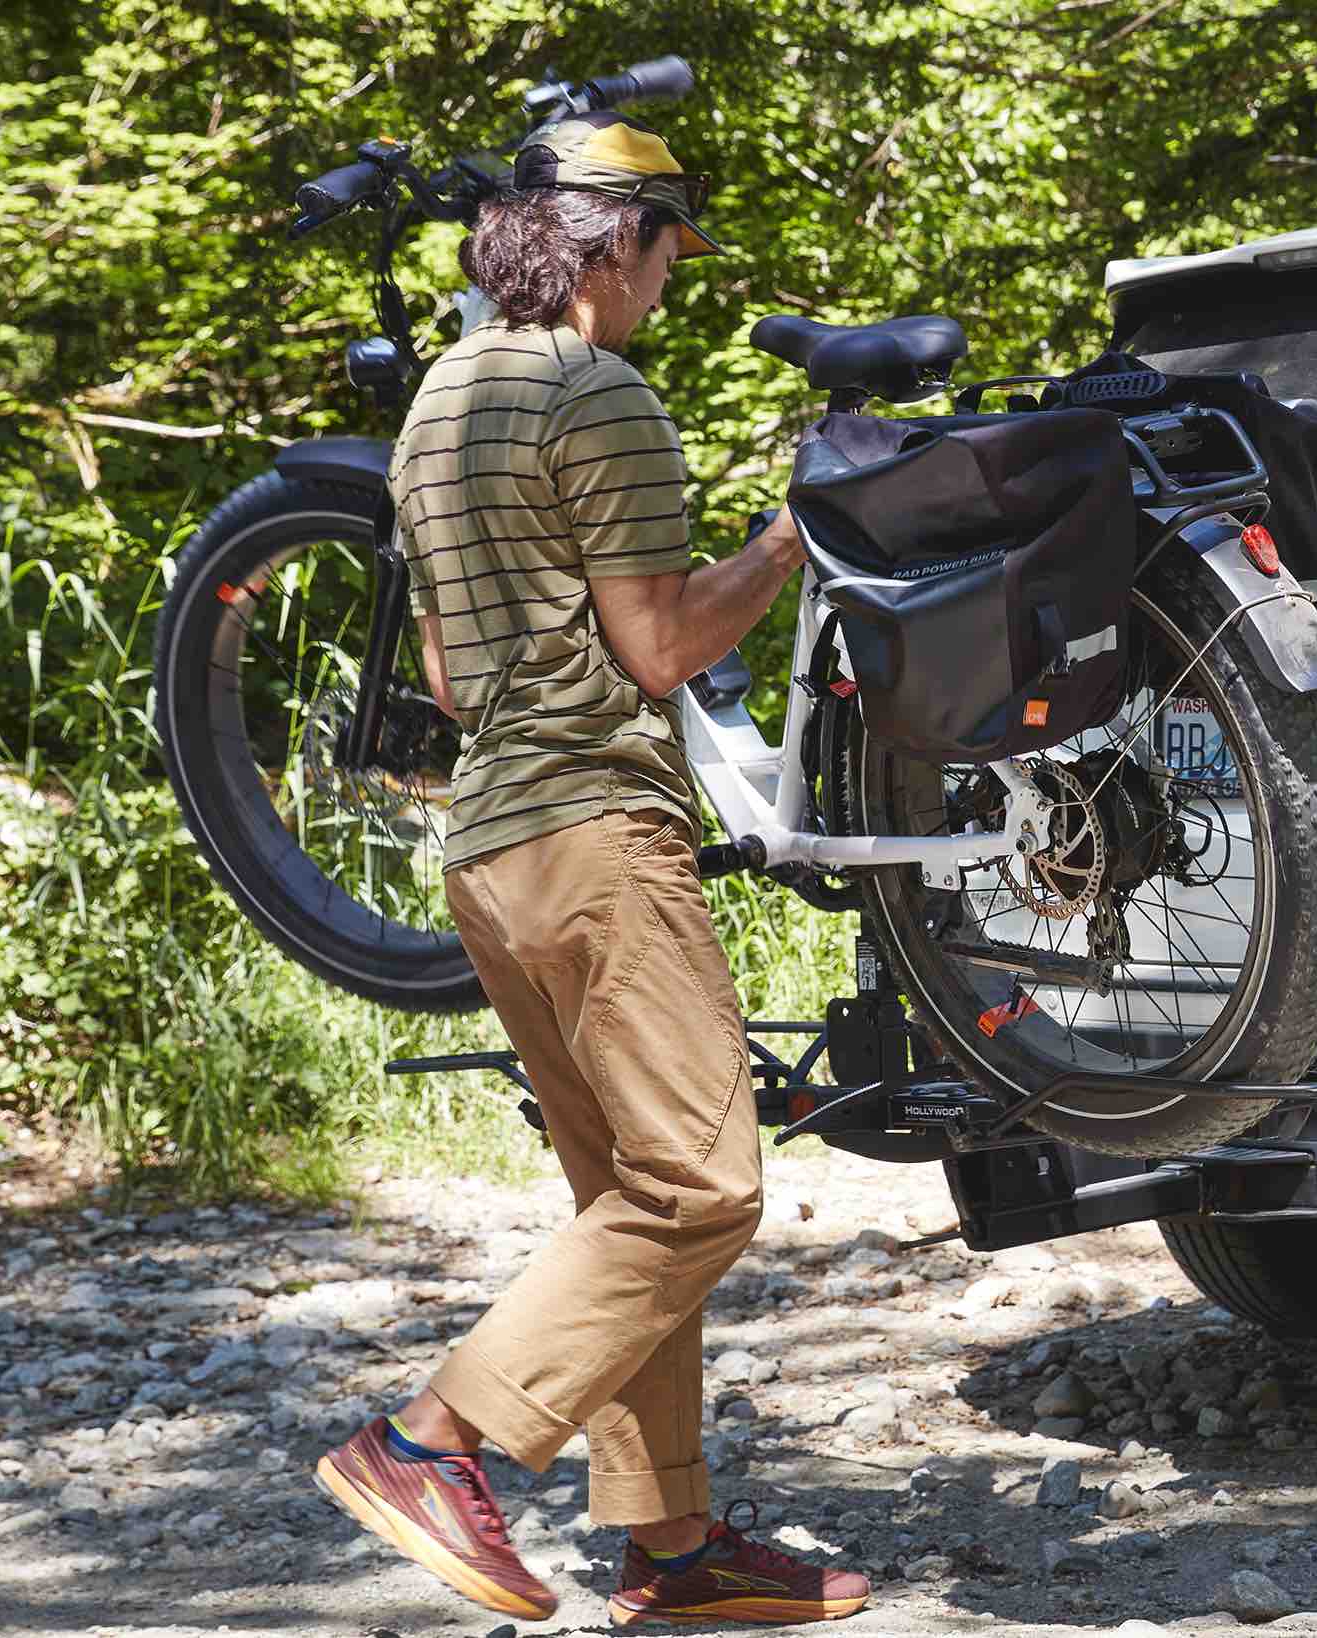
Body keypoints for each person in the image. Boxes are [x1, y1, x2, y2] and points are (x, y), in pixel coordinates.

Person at [310, 110, 870, 1628]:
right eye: (673, 246)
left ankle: (671, 1544)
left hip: (488, 851)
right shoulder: (597, 391)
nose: (674, 278)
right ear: (614, 238)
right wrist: (792, 539)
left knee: (624, 1199)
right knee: (702, 1185)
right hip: (596, 837)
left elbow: (440, 654)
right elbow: (666, 645)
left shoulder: (439, 399)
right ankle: (428, 1440)